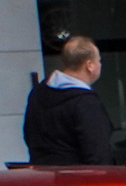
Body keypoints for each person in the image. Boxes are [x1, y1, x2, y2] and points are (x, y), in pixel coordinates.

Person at [23, 36, 115, 165]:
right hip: (77, 180)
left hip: (42, 177)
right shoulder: (87, 103)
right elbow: (98, 154)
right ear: (89, 65)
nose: (100, 64)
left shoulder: (37, 93)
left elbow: (29, 136)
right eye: (98, 60)